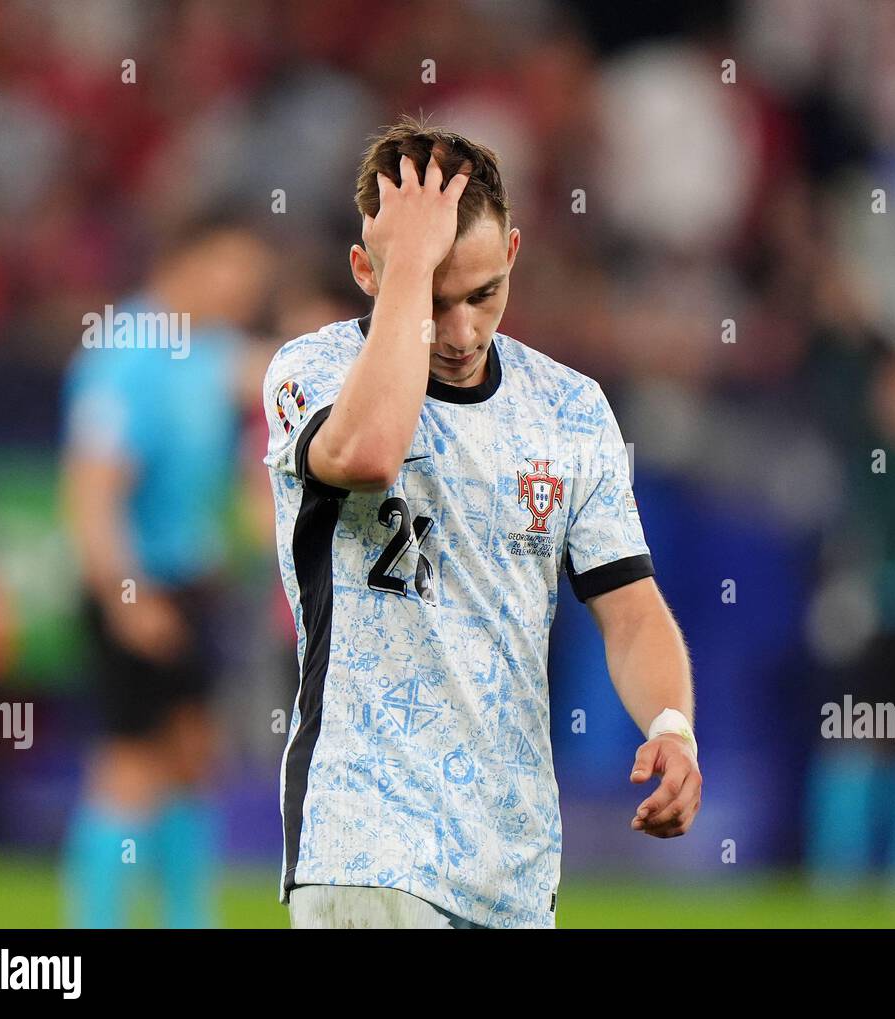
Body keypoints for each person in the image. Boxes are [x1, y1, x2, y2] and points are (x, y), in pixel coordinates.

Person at [263, 115, 700, 929]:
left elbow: (632, 610)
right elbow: (368, 454)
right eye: (435, 298)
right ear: (368, 270)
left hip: (515, 866)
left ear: (513, 257)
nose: (462, 332)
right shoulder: (311, 369)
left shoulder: (570, 409)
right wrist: (409, 268)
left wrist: (673, 727)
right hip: (368, 849)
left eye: (484, 293)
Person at [60, 217, 275, 927]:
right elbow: (92, 489)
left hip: (192, 584)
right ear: (186, 262)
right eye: (233, 268)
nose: (246, 288)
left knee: (189, 757)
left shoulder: (209, 349)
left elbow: (274, 368)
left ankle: (188, 916)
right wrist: (126, 599)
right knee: (128, 762)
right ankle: (92, 927)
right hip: (135, 583)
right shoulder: (125, 354)